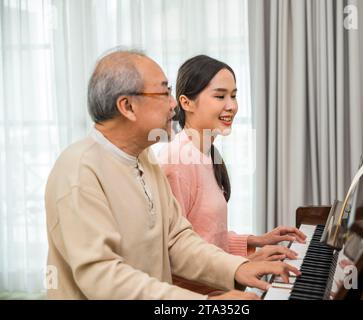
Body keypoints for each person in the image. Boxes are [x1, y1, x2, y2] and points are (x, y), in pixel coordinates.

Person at [44, 49, 300, 300]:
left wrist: (238, 268)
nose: (173, 103)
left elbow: (177, 240)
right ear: (127, 106)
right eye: (164, 92)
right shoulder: (79, 171)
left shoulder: (144, 159)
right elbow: (103, 278)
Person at [158, 55, 306, 294]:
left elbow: (203, 235)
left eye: (234, 95)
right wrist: (245, 265)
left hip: (216, 286)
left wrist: (254, 242)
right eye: (220, 96)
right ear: (186, 102)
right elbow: (174, 252)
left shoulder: (205, 152)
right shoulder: (177, 163)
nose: (232, 106)